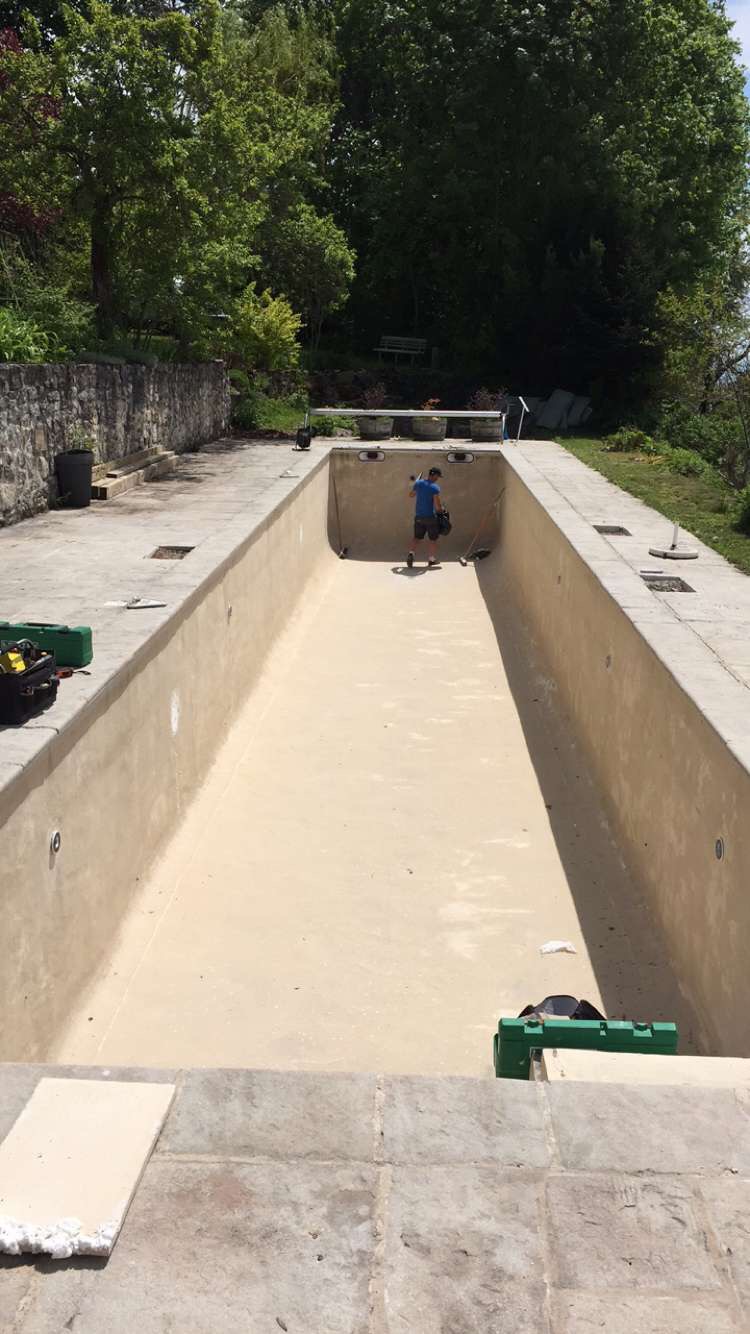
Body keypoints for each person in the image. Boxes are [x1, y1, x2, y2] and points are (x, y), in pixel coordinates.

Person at [407, 467, 443, 567]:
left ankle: (411, 553)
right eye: (437, 476)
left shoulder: (419, 484)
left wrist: (415, 486)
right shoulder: (435, 487)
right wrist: (441, 511)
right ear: (434, 475)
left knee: (417, 538)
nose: (438, 478)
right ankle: (431, 560)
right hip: (430, 518)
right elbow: (437, 505)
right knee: (433, 539)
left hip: (418, 517)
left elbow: (411, 495)